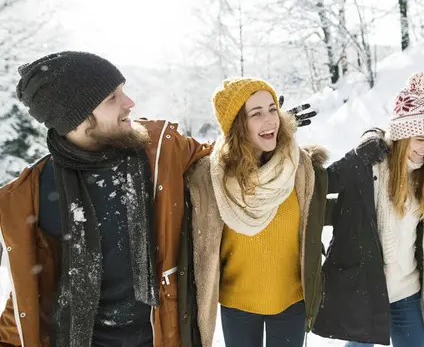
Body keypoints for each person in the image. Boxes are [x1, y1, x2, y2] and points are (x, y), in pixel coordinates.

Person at [0, 52, 315, 347]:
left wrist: (265, 131)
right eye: (113, 98)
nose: (129, 103)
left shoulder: (160, 150)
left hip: (161, 335)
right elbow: (28, 292)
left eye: (123, 91)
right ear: (78, 119)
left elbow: (221, 162)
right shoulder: (33, 194)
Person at [185, 77, 328, 347]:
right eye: (257, 113)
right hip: (237, 304)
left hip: (291, 301)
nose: (271, 119)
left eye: (273, 109)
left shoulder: (298, 167)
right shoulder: (212, 177)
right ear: (237, 125)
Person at [312, 73, 424, 347]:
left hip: (406, 291)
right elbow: (321, 184)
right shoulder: (369, 166)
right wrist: (362, 148)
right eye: (420, 139)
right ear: (401, 135)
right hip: (365, 290)